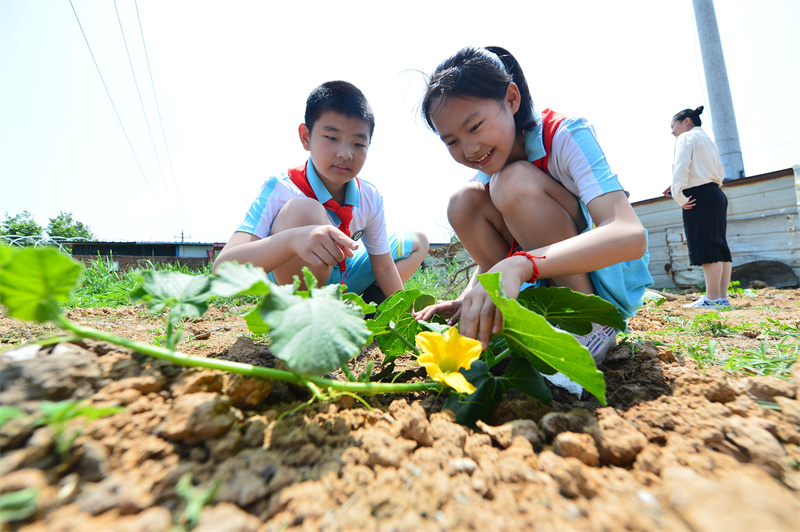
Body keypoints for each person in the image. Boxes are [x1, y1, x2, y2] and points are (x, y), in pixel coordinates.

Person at [413, 46, 652, 366]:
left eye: (474, 127)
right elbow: (499, 260)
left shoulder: (565, 135)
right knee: (462, 203)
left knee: (511, 183)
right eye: (452, 141)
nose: (469, 148)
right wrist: (467, 297)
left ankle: (588, 324)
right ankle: (520, 316)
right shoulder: (487, 174)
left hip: (600, 282)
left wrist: (523, 264)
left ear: (512, 99)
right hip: (541, 280)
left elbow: (630, 234)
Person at [214, 80, 429, 299]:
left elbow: (383, 267)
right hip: (291, 286)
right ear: (306, 137)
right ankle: (305, 317)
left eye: (358, 143)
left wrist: (404, 315)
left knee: (418, 242)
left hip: (345, 278)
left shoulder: (369, 196)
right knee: (303, 211)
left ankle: (364, 313)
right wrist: (293, 240)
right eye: (332, 138)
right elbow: (222, 271)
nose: (345, 153)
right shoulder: (282, 188)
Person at [663, 106, 732, 308]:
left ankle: (711, 299)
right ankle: (721, 298)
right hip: (716, 192)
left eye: (673, 125)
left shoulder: (685, 138)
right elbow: (718, 169)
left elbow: (680, 166)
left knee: (707, 245)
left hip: (698, 196)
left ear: (686, 121)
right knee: (720, 246)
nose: (672, 131)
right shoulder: (708, 140)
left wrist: (678, 194)